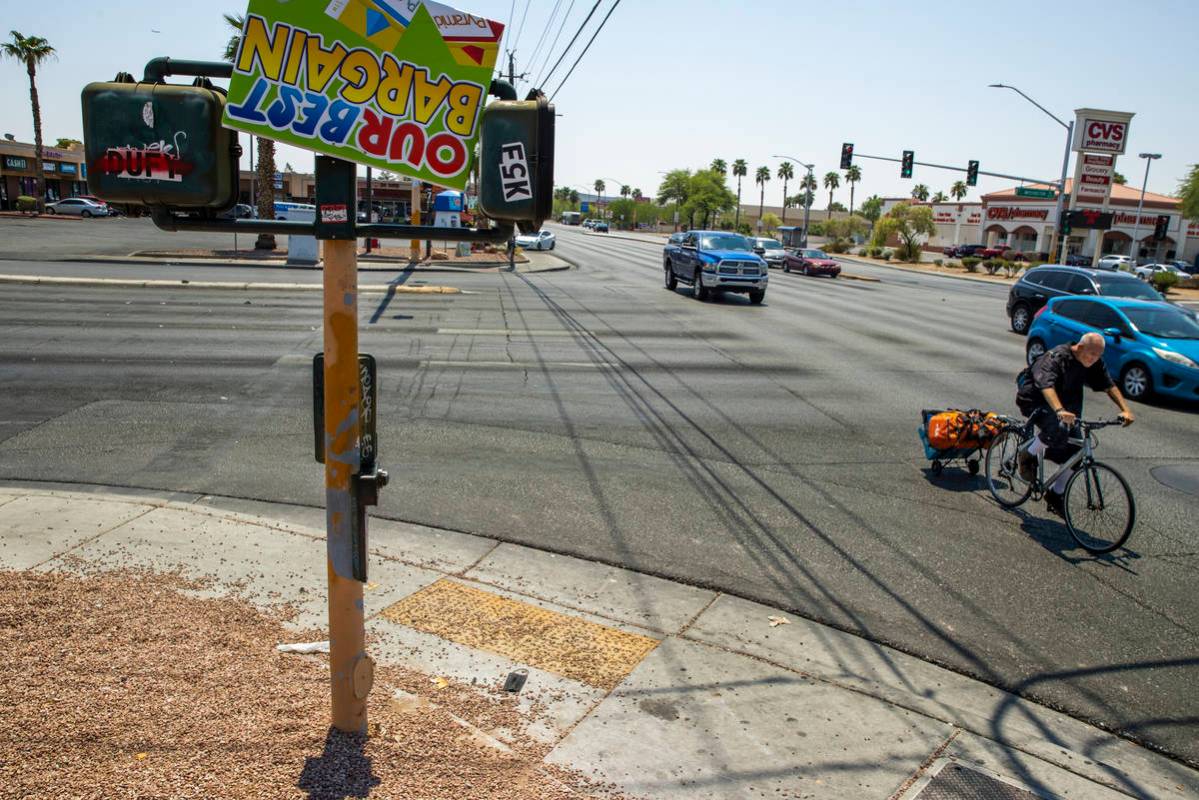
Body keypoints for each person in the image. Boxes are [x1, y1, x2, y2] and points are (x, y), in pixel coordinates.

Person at [1015, 332, 1134, 516]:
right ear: (1079, 347)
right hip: (1035, 400)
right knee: (1054, 428)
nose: (1094, 360)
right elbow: (1046, 386)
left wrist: (1125, 409)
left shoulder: (1093, 362)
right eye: (1091, 355)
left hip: (1066, 409)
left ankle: (1056, 494)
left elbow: (1108, 384)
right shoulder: (1056, 357)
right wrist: (1059, 411)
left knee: (1076, 454)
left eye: (1098, 356)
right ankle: (1027, 454)